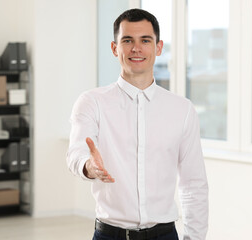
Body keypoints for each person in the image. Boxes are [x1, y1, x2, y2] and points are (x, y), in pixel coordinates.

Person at [66, 8, 208, 240]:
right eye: (127, 40)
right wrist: (88, 166)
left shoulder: (182, 110)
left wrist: (194, 238)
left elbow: (194, 184)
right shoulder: (92, 102)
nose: (136, 48)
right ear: (115, 48)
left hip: (164, 235)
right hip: (110, 235)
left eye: (145, 40)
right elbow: (76, 153)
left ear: (158, 47)